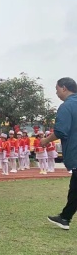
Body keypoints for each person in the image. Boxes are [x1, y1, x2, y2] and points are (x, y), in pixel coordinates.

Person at [44, 78, 77, 229]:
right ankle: (65, 218)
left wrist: (45, 141)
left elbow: (61, 131)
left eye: (57, 89)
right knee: (75, 188)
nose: (56, 93)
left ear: (64, 88)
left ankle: (65, 218)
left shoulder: (67, 106)